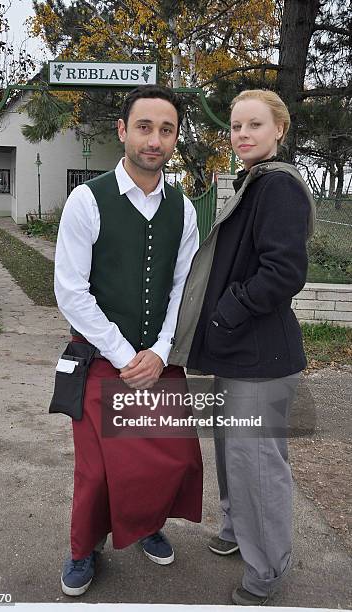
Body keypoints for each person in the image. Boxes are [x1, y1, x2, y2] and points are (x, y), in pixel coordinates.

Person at [54, 84, 203, 596]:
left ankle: (145, 525)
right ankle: (82, 549)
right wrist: (123, 355)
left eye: (166, 129)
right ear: (123, 131)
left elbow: (183, 289)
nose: (155, 139)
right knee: (96, 469)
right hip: (99, 357)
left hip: (158, 359)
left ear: (176, 137)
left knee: (162, 457)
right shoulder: (86, 200)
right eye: (144, 127)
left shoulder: (184, 210)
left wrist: (160, 352)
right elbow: (70, 292)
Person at [168, 89, 315, 606]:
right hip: (236, 352)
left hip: (261, 358)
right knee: (233, 456)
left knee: (257, 467)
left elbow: (284, 272)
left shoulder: (279, 188)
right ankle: (236, 532)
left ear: (279, 130)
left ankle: (267, 570)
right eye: (235, 126)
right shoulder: (250, 184)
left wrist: (229, 310)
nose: (243, 134)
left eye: (255, 124)